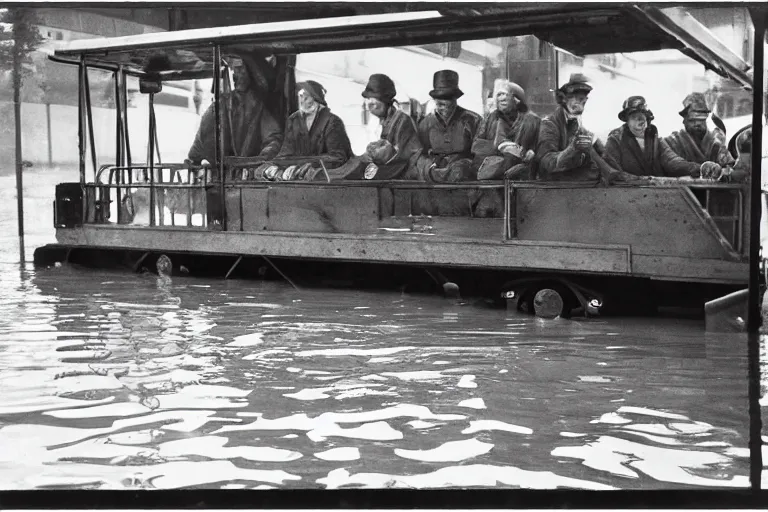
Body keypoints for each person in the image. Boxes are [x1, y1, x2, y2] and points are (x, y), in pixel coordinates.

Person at [536, 73, 637, 183]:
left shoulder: (576, 122)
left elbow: (603, 154)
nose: (582, 104)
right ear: (563, 99)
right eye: (578, 99)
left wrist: (621, 174)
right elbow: (547, 163)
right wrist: (572, 149)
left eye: (584, 100)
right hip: (554, 184)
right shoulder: (549, 124)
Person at [186, 55, 283, 168]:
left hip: (247, 176)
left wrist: (261, 160)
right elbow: (199, 144)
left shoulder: (258, 107)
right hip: (219, 176)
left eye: (242, 69)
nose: (237, 74)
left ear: (251, 74)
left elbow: (273, 139)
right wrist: (194, 162)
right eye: (235, 69)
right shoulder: (220, 105)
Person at [330, 73, 423, 180]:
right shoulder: (380, 122)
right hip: (385, 168)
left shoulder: (402, 121)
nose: (369, 104)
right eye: (368, 99)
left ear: (385, 101)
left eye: (374, 99)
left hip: (401, 174)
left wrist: (378, 154)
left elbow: (401, 159)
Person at [603, 96, 702, 178]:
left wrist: (700, 168)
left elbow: (672, 161)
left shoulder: (654, 139)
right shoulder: (615, 140)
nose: (640, 123)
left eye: (642, 118)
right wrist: (640, 180)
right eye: (634, 118)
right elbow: (613, 173)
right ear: (627, 121)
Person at [416, 70, 482, 182]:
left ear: (455, 100)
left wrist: (465, 165)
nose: (442, 108)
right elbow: (418, 155)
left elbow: (481, 153)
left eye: (446, 104)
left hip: (464, 179)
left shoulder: (473, 120)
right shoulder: (425, 124)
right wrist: (429, 168)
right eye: (439, 104)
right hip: (434, 178)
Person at [472, 79, 540, 180]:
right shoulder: (491, 118)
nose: (501, 99)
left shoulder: (533, 121)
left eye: (505, 95)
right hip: (493, 175)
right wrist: (502, 147)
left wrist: (532, 153)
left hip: (521, 176)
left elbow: (542, 147)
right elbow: (476, 146)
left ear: (517, 100)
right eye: (498, 95)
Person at [275, 80, 352, 169]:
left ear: (316, 99)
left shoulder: (332, 121)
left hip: (328, 177)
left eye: (306, 97)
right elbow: (285, 153)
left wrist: (310, 164)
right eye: (301, 96)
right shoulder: (294, 120)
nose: (302, 100)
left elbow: (338, 158)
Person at [663, 92, 734, 178]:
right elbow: (672, 165)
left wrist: (723, 172)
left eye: (701, 120)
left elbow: (729, 167)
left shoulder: (715, 143)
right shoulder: (673, 142)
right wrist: (702, 169)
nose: (697, 124)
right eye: (692, 120)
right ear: (684, 121)